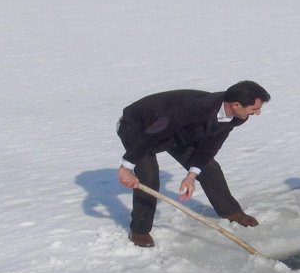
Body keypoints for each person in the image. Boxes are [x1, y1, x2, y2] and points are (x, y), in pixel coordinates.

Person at [116, 80, 271, 247]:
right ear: (236, 105)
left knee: (209, 168)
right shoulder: (195, 108)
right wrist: (126, 167)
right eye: (254, 109)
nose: (258, 112)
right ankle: (140, 230)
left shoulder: (236, 116)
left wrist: (191, 175)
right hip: (140, 127)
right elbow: (155, 132)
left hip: (179, 132)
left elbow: (211, 144)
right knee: (149, 177)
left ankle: (230, 211)